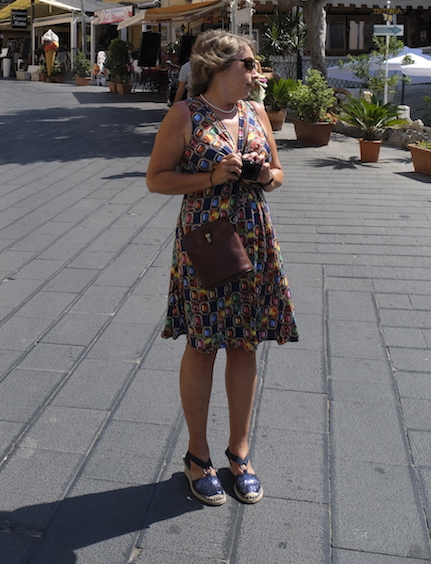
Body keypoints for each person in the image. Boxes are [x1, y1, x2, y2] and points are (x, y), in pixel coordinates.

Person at [146, 30, 298, 506]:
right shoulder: (184, 115)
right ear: (217, 65)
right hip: (207, 243)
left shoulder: (256, 113)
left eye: (256, 65)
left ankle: (240, 453)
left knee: (245, 344)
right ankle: (197, 455)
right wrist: (211, 176)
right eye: (249, 64)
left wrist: (263, 174)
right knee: (203, 345)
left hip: (254, 238)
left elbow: (278, 175)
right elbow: (156, 179)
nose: (257, 73)